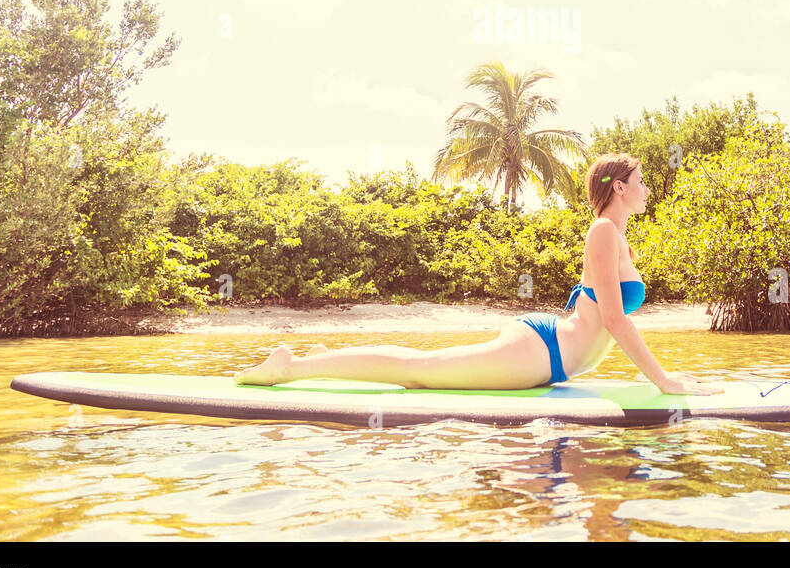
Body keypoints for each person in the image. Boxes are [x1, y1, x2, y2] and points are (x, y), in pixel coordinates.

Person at [234, 154, 722, 395]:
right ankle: (290, 367)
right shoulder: (602, 232)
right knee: (420, 374)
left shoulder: (617, 236)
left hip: (554, 350)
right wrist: (664, 382)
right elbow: (615, 320)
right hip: (544, 351)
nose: (647, 188)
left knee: (424, 366)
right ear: (619, 186)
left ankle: (329, 359)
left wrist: (663, 378)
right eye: (640, 182)